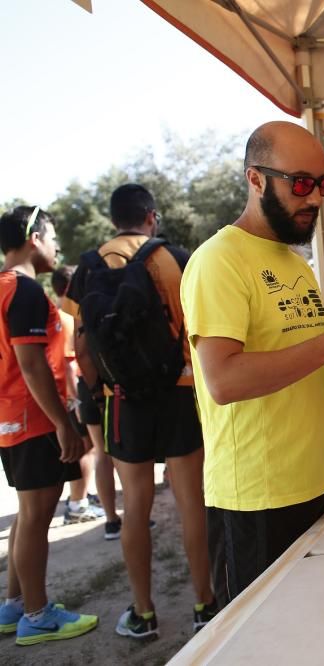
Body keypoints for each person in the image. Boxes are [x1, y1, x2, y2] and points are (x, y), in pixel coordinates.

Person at [181, 121, 324, 606]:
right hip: (255, 496)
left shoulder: (295, 262)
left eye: (323, 184)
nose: (314, 198)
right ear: (255, 179)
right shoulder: (219, 260)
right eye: (300, 183)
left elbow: (311, 364)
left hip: (311, 481)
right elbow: (224, 380)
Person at [65, 183, 215, 639]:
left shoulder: (89, 267)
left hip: (122, 403)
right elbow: (199, 332)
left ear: (114, 220)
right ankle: (205, 605)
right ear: (151, 216)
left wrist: (101, 390)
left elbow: (82, 347)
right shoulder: (177, 259)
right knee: (192, 504)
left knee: (135, 508)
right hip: (178, 393)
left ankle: (143, 613)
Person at [0, 205, 99, 646]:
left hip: (11, 418)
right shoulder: (22, 291)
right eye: (53, 236)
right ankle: (37, 615)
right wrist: (63, 422)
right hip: (33, 417)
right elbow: (31, 362)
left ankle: (16, 605)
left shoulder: (5, 288)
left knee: (28, 512)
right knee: (38, 515)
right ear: (33, 237)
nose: (57, 245)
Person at [50, 266, 106, 525]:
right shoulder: (66, 318)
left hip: (69, 395)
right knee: (87, 450)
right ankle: (77, 504)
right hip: (75, 394)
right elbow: (69, 363)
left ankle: (83, 497)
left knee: (90, 449)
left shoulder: (57, 315)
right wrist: (76, 401)